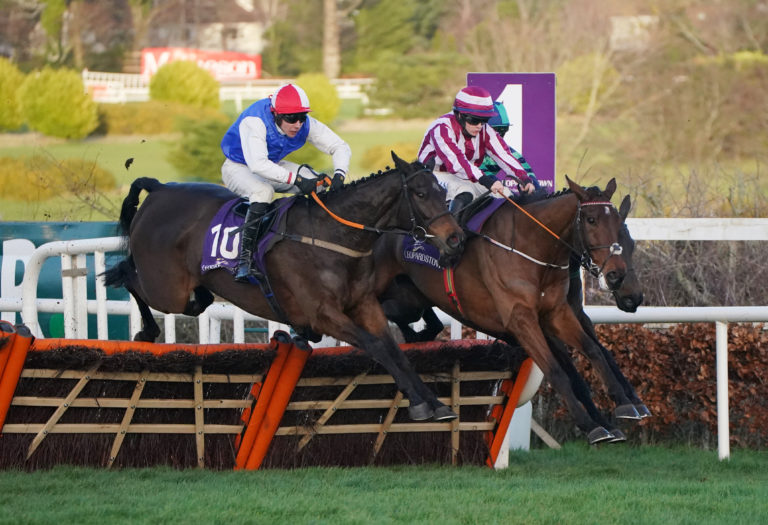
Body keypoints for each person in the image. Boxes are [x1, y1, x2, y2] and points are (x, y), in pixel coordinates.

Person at [220, 83, 351, 281]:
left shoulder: (304, 124)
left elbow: (340, 146)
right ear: (276, 115)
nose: (297, 124)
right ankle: (243, 262)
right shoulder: (254, 121)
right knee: (263, 192)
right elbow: (257, 165)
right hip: (238, 167)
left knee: (319, 183)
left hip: (271, 164)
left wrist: (340, 174)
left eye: (302, 117)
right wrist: (296, 179)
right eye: (291, 118)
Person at [418, 86, 535, 216]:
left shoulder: (485, 129)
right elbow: (456, 162)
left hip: (466, 175)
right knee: (464, 191)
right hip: (431, 175)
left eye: (484, 120)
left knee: (506, 194)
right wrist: (486, 180)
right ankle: (454, 235)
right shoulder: (442, 128)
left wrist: (524, 178)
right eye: (474, 120)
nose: (479, 125)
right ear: (460, 115)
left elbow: (503, 155)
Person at [480, 101, 539, 190]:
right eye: (496, 130)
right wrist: (493, 180)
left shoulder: (504, 149)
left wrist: (530, 183)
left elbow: (522, 167)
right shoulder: (471, 147)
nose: (499, 135)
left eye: (504, 130)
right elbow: (477, 170)